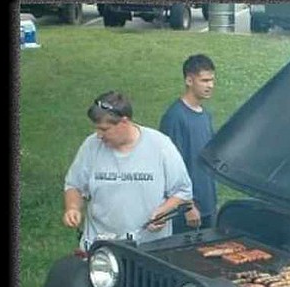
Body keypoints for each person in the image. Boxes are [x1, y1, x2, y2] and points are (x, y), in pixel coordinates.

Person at [63, 91, 193, 250]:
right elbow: (74, 185)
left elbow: (182, 191)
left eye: (104, 129)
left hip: (149, 247)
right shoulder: (91, 146)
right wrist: (73, 208)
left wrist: (162, 213)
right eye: (97, 129)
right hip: (101, 248)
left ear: (124, 122)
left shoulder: (160, 146)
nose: (99, 135)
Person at [159, 53, 218, 232]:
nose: (210, 85)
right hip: (187, 211)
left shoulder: (205, 115)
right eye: (204, 80)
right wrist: (188, 206)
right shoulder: (175, 117)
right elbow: (172, 167)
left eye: (212, 80)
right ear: (189, 80)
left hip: (208, 205)